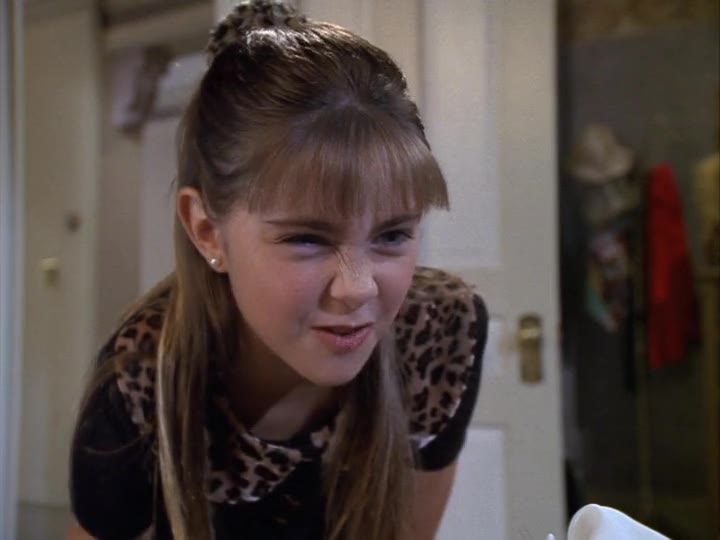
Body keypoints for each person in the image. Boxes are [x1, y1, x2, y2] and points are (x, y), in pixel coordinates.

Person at [69, 1, 488, 539]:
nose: (358, 288)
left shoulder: (441, 336)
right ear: (207, 230)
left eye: (392, 235)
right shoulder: (141, 385)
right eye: (307, 239)